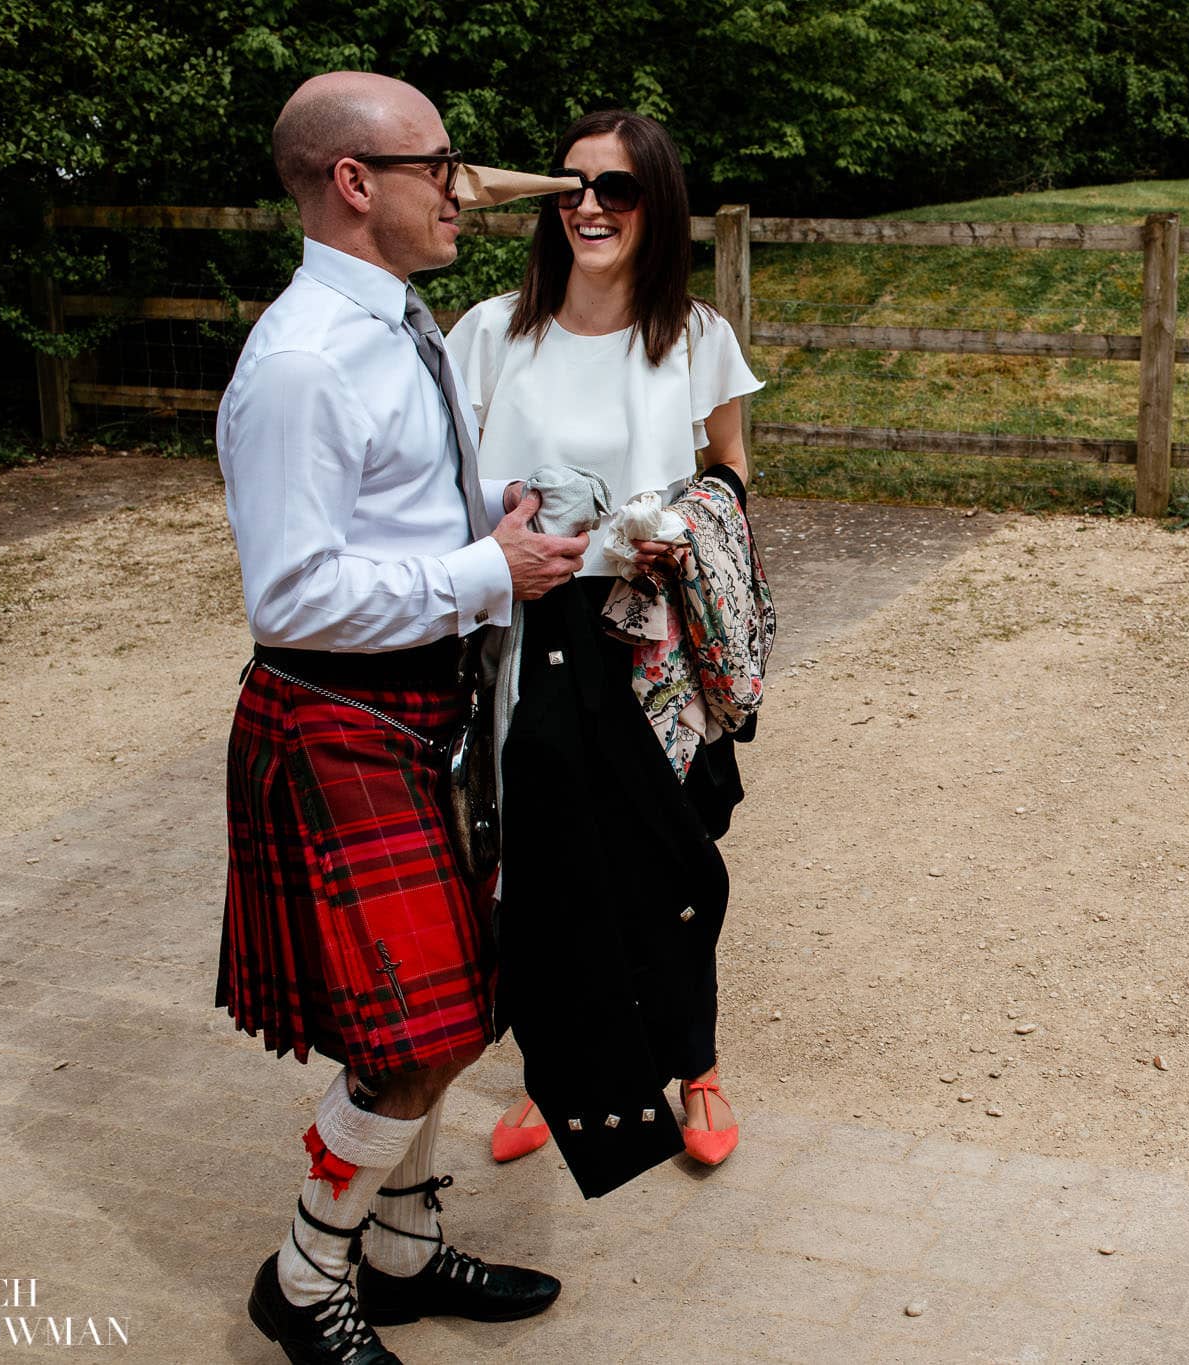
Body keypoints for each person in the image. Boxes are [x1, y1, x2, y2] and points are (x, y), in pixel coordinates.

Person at [215, 71, 589, 1364]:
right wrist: (488, 573)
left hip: (423, 706)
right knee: (417, 1036)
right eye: (438, 166)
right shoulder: (305, 361)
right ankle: (306, 1273)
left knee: (454, 1006)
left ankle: (403, 1253)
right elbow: (292, 592)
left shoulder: (399, 322)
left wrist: (499, 515)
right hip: (341, 715)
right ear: (353, 182)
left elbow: (397, 503)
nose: (461, 190)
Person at [446, 109, 763, 1181]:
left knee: (671, 850)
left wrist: (688, 525)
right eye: (570, 185)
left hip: (648, 632)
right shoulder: (491, 332)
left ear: (654, 204)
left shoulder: (695, 335)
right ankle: (558, 1075)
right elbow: (450, 485)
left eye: (615, 188)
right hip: (525, 623)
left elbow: (732, 470)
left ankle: (695, 1065)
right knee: (543, 860)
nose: (588, 205)